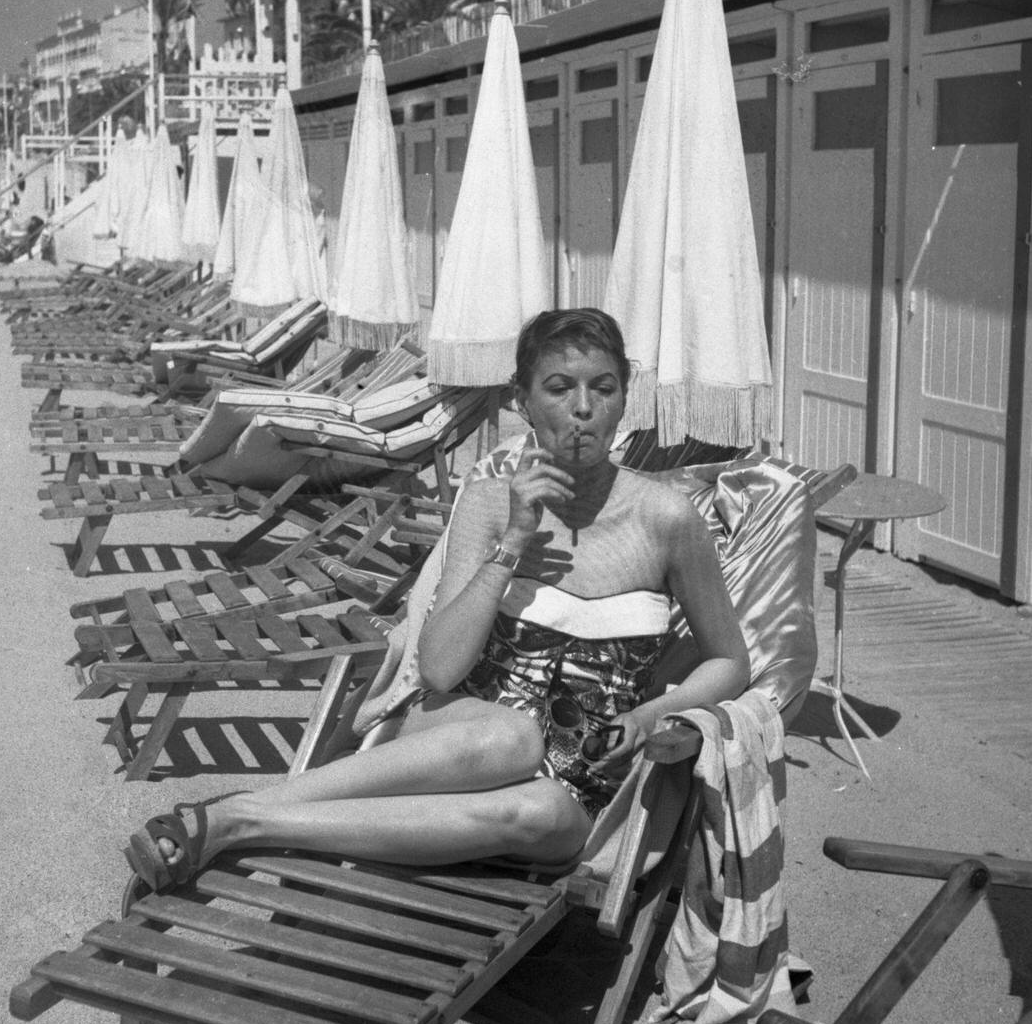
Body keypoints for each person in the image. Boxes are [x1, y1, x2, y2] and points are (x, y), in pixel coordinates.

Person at [124, 308, 750, 890]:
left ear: (624, 399)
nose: (583, 408)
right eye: (559, 388)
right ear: (523, 401)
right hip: (461, 738)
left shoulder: (667, 519)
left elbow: (729, 661)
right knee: (513, 737)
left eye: (603, 388)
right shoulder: (489, 501)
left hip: (584, 776)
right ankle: (236, 819)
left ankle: (244, 817)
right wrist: (512, 542)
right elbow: (442, 669)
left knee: (543, 812)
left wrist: (649, 716)